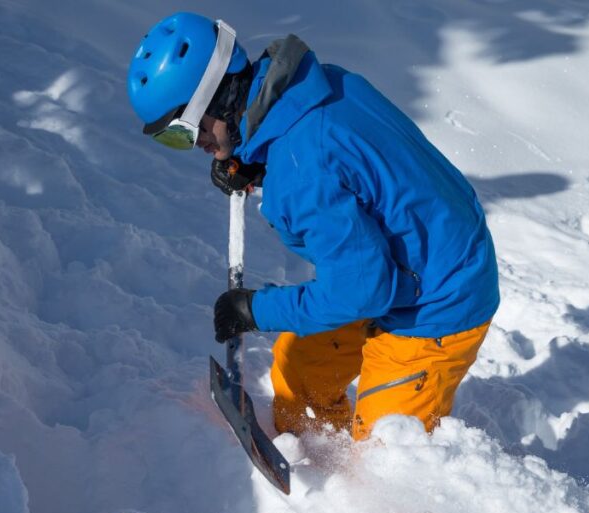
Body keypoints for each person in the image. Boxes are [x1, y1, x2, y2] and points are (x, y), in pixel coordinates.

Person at [127, 12, 499, 440]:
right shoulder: (311, 89)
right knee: (299, 379)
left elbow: (360, 289)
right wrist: (253, 162)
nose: (200, 148)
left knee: (389, 460)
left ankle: (374, 499)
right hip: (411, 256)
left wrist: (255, 309)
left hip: (438, 300)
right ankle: (319, 476)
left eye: (183, 131)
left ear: (215, 99)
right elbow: (343, 170)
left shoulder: (302, 170)